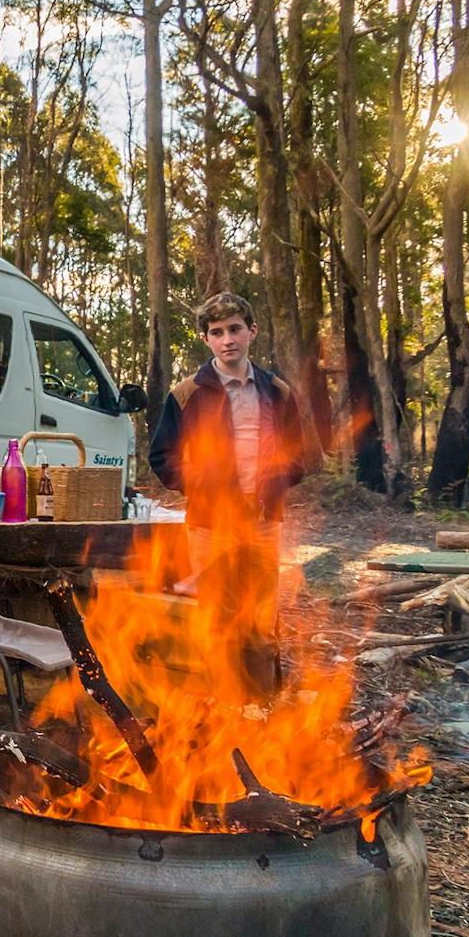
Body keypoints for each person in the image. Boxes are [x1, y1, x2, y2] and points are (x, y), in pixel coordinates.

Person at [148, 292, 315, 693]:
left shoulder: (277, 391)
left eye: (235, 329)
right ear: (206, 339)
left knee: (259, 623)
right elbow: (161, 455)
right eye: (217, 332)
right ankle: (221, 706)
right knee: (218, 623)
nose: (228, 340)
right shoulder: (188, 393)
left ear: (251, 331)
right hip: (210, 527)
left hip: (262, 524)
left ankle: (257, 710)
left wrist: (274, 484)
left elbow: (300, 455)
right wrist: (203, 487)